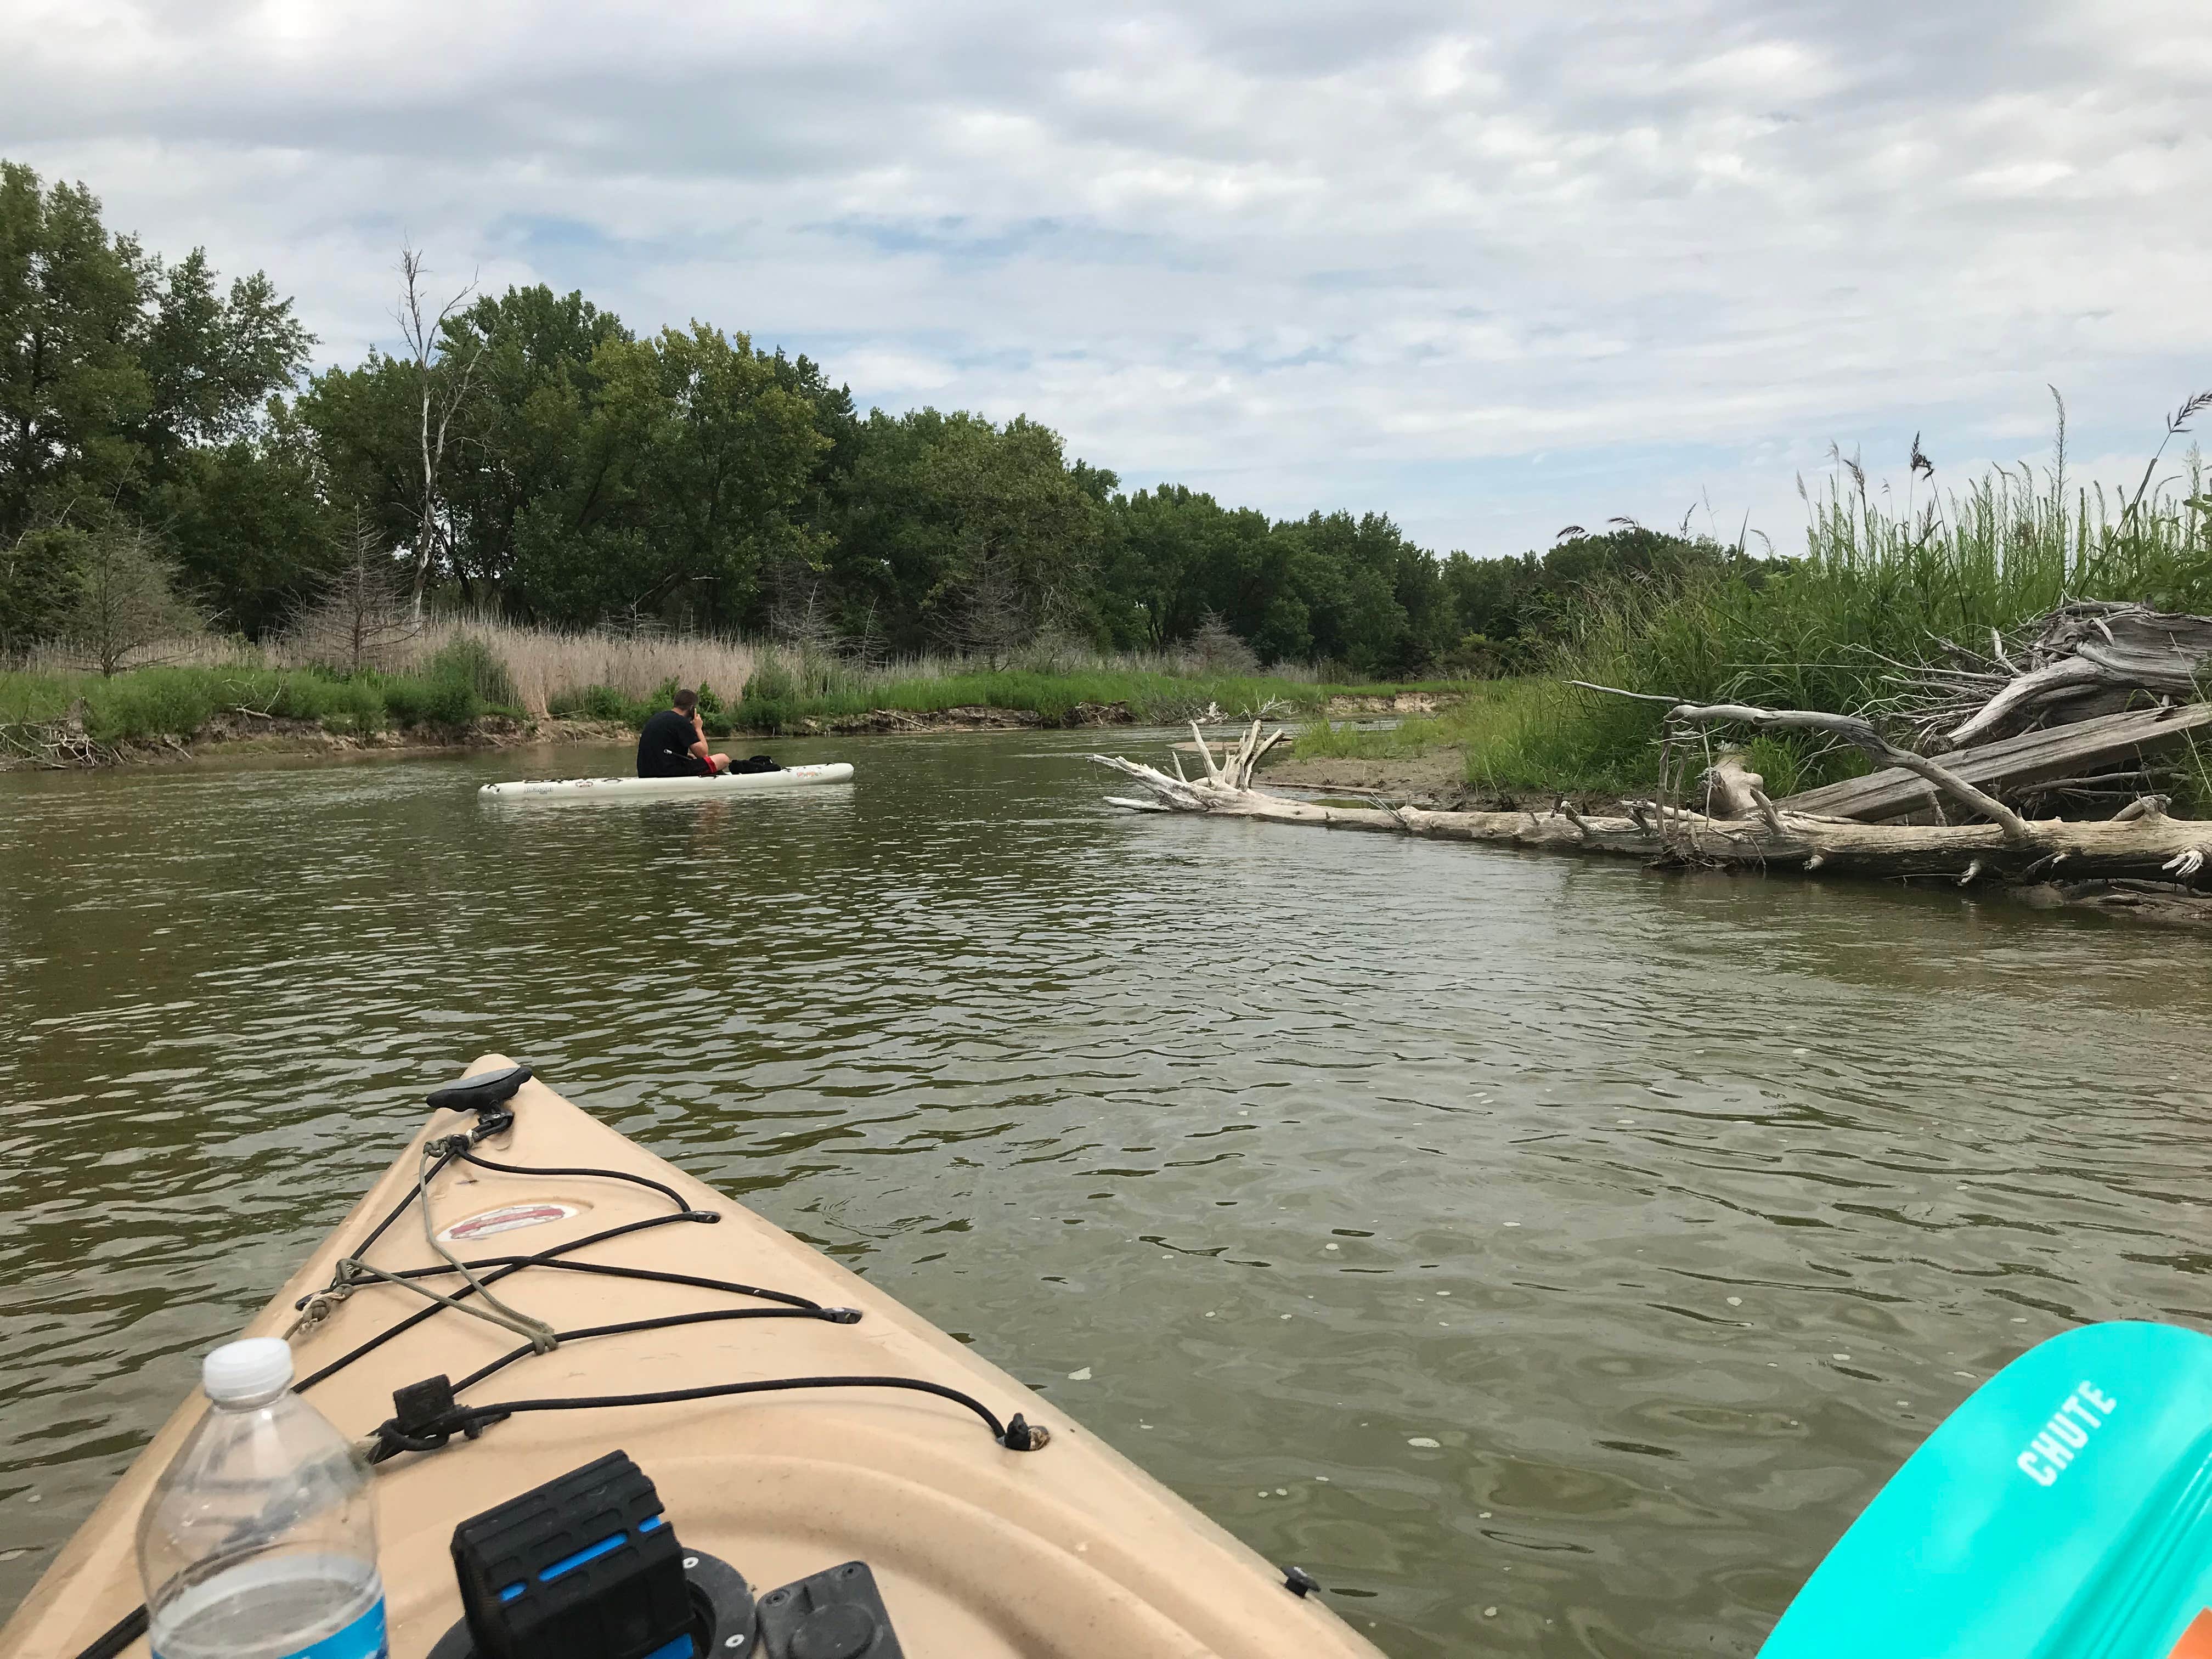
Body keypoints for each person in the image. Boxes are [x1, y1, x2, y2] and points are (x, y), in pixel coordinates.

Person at [637, 688, 730, 778]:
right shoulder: (681, 722)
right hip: (668, 773)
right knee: (723, 759)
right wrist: (698, 728)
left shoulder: (657, 718)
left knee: (691, 757)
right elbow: (703, 754)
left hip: (645, 773)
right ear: (692, 709)